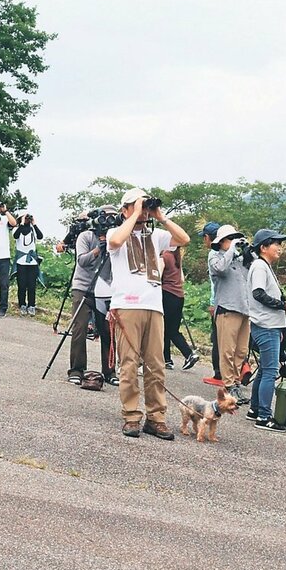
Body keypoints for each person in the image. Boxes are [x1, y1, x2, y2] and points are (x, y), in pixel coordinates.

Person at [107, 188, 190, 440]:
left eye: (144, 206)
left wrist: (160, 216)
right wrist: (133, 214)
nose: (143, 211)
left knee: (156, 364)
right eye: (136, 205)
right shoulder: (115, 231)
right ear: (124, 210)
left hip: (154, 306)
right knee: (129, 364)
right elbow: (115, 242)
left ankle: (157, 418)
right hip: (126, 306)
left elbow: (184, 239)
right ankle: (131, 416)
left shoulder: (156, 236)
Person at [246, 229, 286, 432]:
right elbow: (258, 293)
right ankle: (264, 417)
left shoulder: (262, 266)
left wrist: (283, 304)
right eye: (276, 244)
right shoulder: (260, 266)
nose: (280, 248)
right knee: (270, 371)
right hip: (266, 325)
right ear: (263, 247)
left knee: (264, 369)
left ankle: (255, 409)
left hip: (265, 324)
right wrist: (282, 306)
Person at [68, 205, 117, 386]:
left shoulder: (117, 240)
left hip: (105, 289)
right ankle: (76, 369)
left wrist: (111, 246)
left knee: (107, 331)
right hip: (83, 286)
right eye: (107, 218)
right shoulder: (86, 236)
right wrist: (99, 249)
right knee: (80, 327)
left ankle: (110, 370)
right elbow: (82, 261)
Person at [208, 224, 252, 404]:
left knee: (241, 351)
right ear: (221, 242)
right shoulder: (215, 256)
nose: (233, 242)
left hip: (244, 310)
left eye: (236, 238)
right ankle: (228, 385)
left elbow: (253, 270)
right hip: (227, 308)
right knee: (227, 350)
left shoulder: (240, 260)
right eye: (230, 239)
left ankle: (235, 383)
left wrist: (249, 250)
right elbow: (220, 269)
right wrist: (232, 250)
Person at [162, 246, 198, 370]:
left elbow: (157, 276)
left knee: (168, 330)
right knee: (168, 329)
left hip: (167, 294)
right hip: (178, 296)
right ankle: (166, 359)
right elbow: (181, 278)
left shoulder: (165, 256)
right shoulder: (176, 256)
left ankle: (188, 354)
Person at [197, 222, 222, 385]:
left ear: (208, 237)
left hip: (220, 303)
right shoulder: (229, 253)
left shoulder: (213, 254)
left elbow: (215, 284)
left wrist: (213, 304)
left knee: (217, 339)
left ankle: (218, 374)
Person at [13, 211, 43, 316]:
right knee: (21, 285)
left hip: (32, 262)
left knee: (32, 285)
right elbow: (16, 236)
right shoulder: (17, 229)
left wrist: (34, 223)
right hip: (21, 261)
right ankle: (22, 304)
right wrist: (21, 223)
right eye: (25, 218)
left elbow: (40, 236)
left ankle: (31, 305)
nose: (26, 220)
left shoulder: (32, 230)